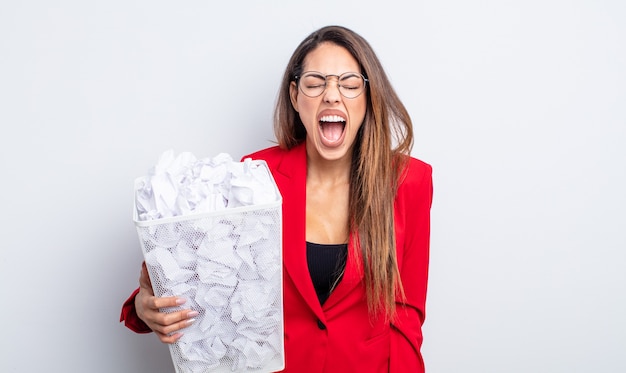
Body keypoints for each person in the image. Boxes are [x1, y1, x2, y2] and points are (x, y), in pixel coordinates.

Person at [121, 25, 433, 372]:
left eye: (349, 83)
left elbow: (406, 315)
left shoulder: (409, 181)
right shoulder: (253, 177)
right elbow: (205, 274)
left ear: (368, 98)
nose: (332, 95)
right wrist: (144, 306)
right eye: (316, 83)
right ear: (296, 96)